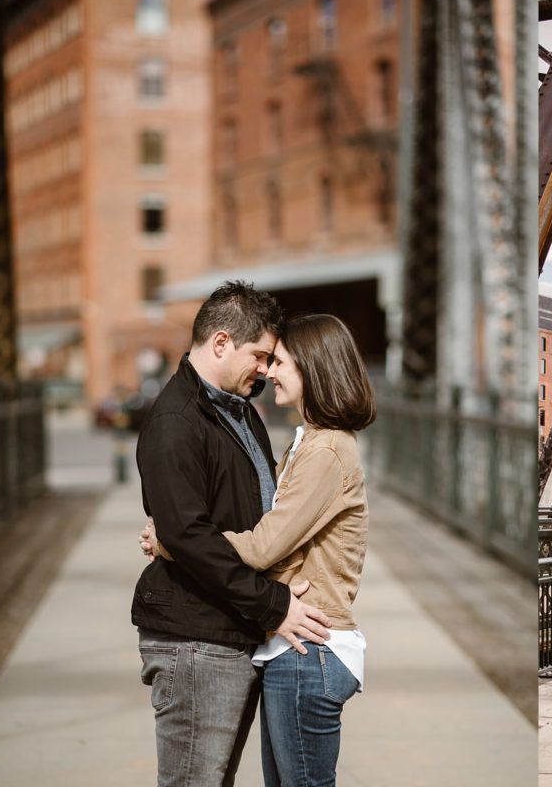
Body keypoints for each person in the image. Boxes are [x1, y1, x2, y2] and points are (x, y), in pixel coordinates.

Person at [145, 313, 376, 787]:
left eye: (280, 361)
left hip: (308, 650)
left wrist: (173, 541)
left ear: (313, 369)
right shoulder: (306, 444)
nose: (270, 371)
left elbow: (265, 544)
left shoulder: (326, 450)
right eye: (266, 359)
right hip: (292, 651)